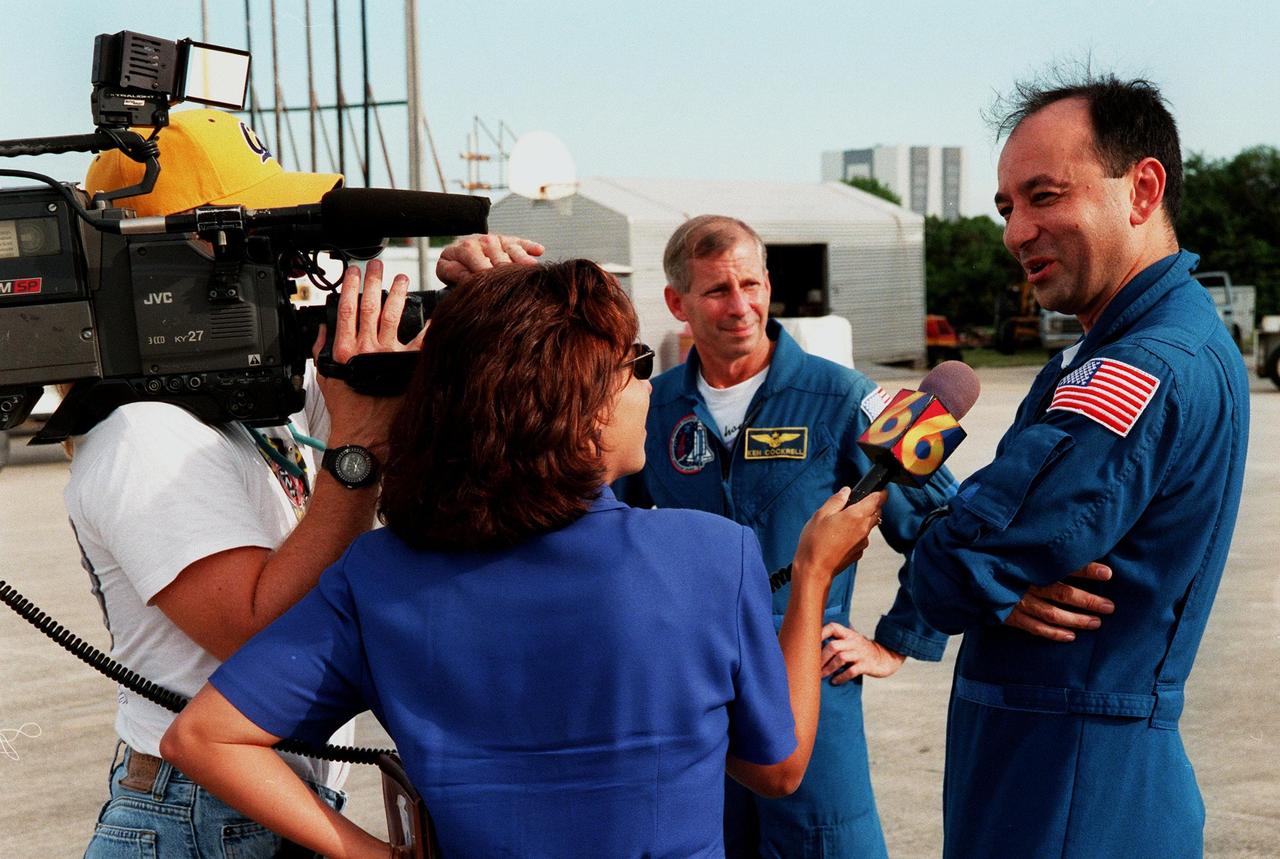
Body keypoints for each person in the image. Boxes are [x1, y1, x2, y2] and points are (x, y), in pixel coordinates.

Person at [160, 258, 887, 858]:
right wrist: (815, 573)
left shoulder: (379, 573)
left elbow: (205, 734)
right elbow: (779, 766)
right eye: (633, 367)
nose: (647, 390)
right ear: (584, 405)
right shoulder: (709, 553)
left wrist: (371, 856)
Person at [907, 75, 1250, 857]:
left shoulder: (1143, 366)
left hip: (1073, 796)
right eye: (1006, 208)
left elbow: (974, 557)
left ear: (1142, 190)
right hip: (1042, 771)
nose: (1016, 231)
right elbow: (990, 538)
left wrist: (943, 548)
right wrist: (971, 549)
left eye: (1044, 196)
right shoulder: (1103, 351)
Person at [68, 108, 423, 857]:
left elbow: (408, 407)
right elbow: (258, 626)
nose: (291, 271)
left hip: (256, 800)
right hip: (200, 814)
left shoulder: (243, 407)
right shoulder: (144, 434)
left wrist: (496, 305)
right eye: (259, 245)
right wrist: (355, 450)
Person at [595, 214, 955, 857]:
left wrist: (895, 644)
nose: (741, 306)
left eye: (752, 284)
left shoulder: (845, 397)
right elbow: (595, 522)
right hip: (698, 695)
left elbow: (941, 523)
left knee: (827, 845)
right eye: (716, 291)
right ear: (677, 302)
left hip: (812, 687)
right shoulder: (649, 406)